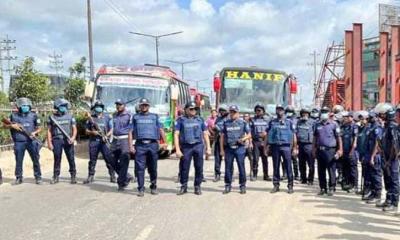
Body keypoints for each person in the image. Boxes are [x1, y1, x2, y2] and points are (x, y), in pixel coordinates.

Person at [132, 98, 167, 197]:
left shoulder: (154, 117)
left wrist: (165, 142)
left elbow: (160, 129)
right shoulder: (135, 117)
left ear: (149, 106)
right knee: (140, 168)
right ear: (140, 106)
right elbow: (130, 132)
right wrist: (131, 145)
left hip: (152, 145)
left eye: (146, 105)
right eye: (142, 105)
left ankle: (153, 185)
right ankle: (141, 188)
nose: (144, 107)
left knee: (153, 167)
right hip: (140, 145)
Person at [175, 101, 211, 195]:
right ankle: (184, 186)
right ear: (186, 110)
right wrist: (178, 149)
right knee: (184, 167)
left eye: (195, 109)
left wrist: (208, 148)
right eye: (191, 109)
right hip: (186, 147)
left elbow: (205, 133)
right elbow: (176, 134)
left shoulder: (200, 120)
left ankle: (197, 186)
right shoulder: (180, 120)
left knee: (199, 167)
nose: (193, 111)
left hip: (198, 146)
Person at [3, 97, 42, 184]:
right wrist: (11, 126)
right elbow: (4, 125)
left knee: (35, 159)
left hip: (31, 141)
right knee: (19, 160)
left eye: (27, 105)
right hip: (19, 142)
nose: (25, 107)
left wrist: (34, 133)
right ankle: (18, 177)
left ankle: (38, 177)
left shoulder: (34, 115)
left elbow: (40, 128)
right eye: (23, 105)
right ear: (19, 106)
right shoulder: (13, 116)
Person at [83, 100, 116, 184]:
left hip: (104, 142)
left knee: (108, 159)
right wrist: (92, 132)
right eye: (97, 107)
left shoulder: (108, 117)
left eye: (100, 107)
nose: (98, 108)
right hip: (94, 142)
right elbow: (86, 131)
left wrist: (106, 136)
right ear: (94, 108)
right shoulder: (90, 118)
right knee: (92, 160)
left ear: (102, 108)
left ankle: (112, 176)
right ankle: (90, 176)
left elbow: (112, 129)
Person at [220, 105, 250, 194]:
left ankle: (242, 185)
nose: (232, 114)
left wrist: (243, 139)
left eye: (234, 112)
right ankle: (228, 185)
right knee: (228, 168)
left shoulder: (243, 123)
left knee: (241, 167)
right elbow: (222, 137)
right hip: (229, 148)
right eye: (231, 112)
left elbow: (249, 134)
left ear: (238, 113)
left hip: (239, 148)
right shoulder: (226, 123)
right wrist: (221, 150)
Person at [313, 106, 342, 196]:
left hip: (330, 150)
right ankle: (323, 188)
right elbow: (315, 137)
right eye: (323, 112)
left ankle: (332, 187)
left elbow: (339, 137)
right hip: (320, 150)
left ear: (329, 113)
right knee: (321, 170)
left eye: (326, 111)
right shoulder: (317, 124)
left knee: (331, 170)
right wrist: (314, 149)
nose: (324, 113)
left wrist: (340, 149)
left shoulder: (334, 124)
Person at [375, 103, 399, 212]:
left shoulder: (392, 126)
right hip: (386, 157)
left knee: (393, 180)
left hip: (392, 159)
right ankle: (388, 200)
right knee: (387, 179)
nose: (380, 116)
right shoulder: (385, 126)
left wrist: (390, 160)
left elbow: (394, 145)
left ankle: (394, 204)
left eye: (382, 114)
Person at [47, 98, 77, 184]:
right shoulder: (52, 117)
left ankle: (73, 176)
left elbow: (74, 129)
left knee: (71, 158)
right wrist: (49, 142)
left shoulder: (70, 116)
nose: (64, 107)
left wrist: (73, 137)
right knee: (57, 158)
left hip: (68, 140)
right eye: (62, 106)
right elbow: (49, 131)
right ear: (57, 107)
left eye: (65, 106)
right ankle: (56, 176)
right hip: (56, 140)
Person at [267, 104, 296, 194]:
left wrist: (295, 147)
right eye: (278, 109)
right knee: (276, 166)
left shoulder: (289, 122)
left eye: (281, 109)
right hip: (275, 146)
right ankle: (276, 185)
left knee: (288, 166)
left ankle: (290, 186)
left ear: (284, 111)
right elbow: (268, 134)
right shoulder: (272, 122)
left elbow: (294, 135)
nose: (279, 111)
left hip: (286, 146)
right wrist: (266, 146)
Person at [111, 99, 134, 191]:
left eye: (120, 104)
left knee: (124, 162)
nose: (118, 106)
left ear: (124, 105)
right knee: (111, 160)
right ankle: (126, 176)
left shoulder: (129, 115)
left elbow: (130, 131)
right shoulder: (114, 115)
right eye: (117, 104)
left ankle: (121, 183)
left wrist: (131, 145)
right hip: (115, 140)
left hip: (125, 140)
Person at [362, 111, 383, 204]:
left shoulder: (377, 128)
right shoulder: (370, 127)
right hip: (368, 154)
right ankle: (373, 193)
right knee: (370, 175)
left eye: (370, 117)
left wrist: (372, 156)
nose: (368, 119)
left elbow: (377, 143)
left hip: (375, 155)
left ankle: (377, 195)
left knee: (376, 176)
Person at [249, 104, 270, 181]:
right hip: (256, 142)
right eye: (256, 110)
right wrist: (250, 142)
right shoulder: (252, 120)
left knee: (265, 159)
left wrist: (266, 135)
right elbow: (250, 132)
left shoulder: (267, 120)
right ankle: (254, 175)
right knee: (255, 159)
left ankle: (266, 175)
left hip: (265, 142)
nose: (258, 112)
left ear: (263, 111)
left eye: (259, 110)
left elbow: (270, 130)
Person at [296, 107, 315, 185]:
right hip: (300, 145)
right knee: (301, 163)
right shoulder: (298, 122)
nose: (304, 115)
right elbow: (296, 133)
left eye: (306, 113)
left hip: (309, 145)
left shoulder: (313, 122)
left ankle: (310, 179)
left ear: (309, 114)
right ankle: (303, 179)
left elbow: (315, 134)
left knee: (310, 164)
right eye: (303, 113)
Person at [340, 111, 358, 192]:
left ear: (351, 117)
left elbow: (355, 140)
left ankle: (355, 185)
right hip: (344, 151)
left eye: (347, 117)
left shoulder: (354, 127)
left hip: (352, 151)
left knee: (353, 168)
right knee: (345, 168)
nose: (346, 118)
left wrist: (352, 151)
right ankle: (348, 183)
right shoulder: (344, 126)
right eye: (345, 117)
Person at [213, 105, 229, 182]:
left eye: (223, 111)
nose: (222, 112)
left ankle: (229, 174)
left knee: (228, 159)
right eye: (220, 111)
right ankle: (217, 174)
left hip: (227, 141)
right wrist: (215, 128)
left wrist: (220, 129)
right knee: (217, 158)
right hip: (218, 140)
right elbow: (215, 127)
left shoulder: (229, 119)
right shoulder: (218, 119)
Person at [356, 111, 370, 196]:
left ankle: (367, 190)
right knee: (364, 172)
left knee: (367, 173)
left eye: (363, 119)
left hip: (366, 153)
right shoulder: (360, 128)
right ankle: (364, 189)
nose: (361, 120)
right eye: (360, 119)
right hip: (361, 153)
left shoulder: (368, 129)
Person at [285, 105, 300, 181]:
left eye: (290, 112)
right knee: (285, 159)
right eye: (287, 112)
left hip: (294, 141)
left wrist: (296, 145)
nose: (289, 113)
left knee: (294, 159)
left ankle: (296, 174)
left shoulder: (296, 120)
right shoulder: (283, 119)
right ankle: (285, 174)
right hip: (286, 142)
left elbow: (296, 133)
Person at [243, 113, 255, 180]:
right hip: (242, 145)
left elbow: (251, 134)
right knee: (241, 160)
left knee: (251, 159)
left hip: (248, 144)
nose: (245, 117)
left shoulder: (251, 124)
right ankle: (243, 174)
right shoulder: (241, 123)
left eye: (246, 116)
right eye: (244, 116)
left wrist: (251, 143)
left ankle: (251, 173)